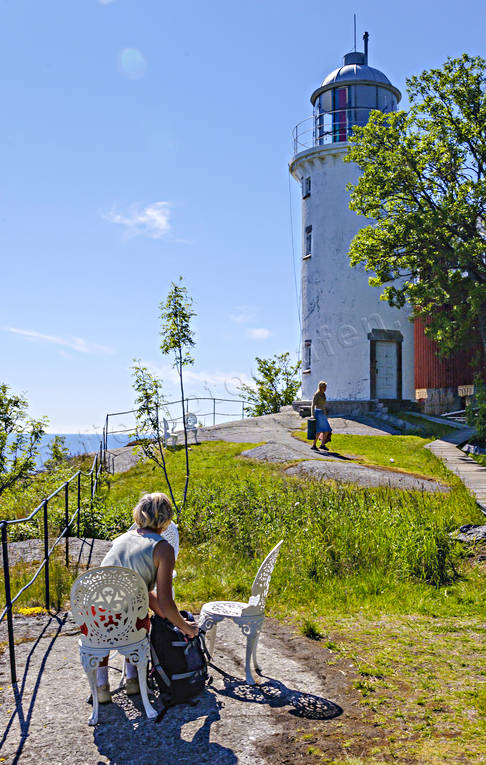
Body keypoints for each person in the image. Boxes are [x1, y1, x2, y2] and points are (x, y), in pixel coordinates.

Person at [96, 492, 198, 703]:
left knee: (118, 609)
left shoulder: (121, 540)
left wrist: (173, 618)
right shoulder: (163, 549)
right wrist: (186, 628)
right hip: (127, 622)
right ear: (166, 519)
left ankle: (101, 686)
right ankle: (133, 680)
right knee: (138, 618)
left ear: (138, 515)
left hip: (92, 616)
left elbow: (139, 588)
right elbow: (165, 604)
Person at [311, 380, 332, 451]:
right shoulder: (317, 394)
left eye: (325, 387)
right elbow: (313, 405)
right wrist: (312, 415)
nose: (325, 389)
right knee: (319, 430)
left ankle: (322, 445)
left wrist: (325, 413)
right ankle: (314, 445)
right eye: (324, 387)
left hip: (323, 414)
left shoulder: (323, 394)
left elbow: (323, 405)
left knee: (327, 430)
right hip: (318, 413)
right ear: (321, 387)